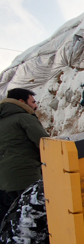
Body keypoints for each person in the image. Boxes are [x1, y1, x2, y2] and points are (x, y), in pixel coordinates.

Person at [0, 88, 49, 221]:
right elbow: (45, 144)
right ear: (21, 101)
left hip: (4, 183)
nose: (35, 106)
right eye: (32, 102)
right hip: (27, 178)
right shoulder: (24, 118)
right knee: (36, 219)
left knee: (12, 221)